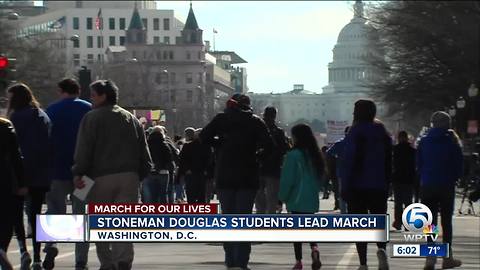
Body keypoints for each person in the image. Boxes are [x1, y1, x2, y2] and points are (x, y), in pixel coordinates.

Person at [72, 80, 153, 270]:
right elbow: (144, 152)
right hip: (129, 177)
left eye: (93, 95)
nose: (90, 99)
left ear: (103, 96)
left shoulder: (91, 118)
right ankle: (123, 260)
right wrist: (139, 174)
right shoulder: (131, 119)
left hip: (100, 178)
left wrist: (79, 173)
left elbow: (84, 149)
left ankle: (107, 263)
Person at [199, 94, 273, 270]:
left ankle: (230, 259)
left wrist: (220, 144)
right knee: (243, 218)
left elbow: (203, 137)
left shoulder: (221, 119)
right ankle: (241, 261)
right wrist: (257, 156)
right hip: (247, 174)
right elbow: (269, 145)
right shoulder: (255, 121)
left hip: (225, 174)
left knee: (228, 218)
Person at [43, 78, 92, 270]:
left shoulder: (51, 110)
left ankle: (51, 245)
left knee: (55, 210)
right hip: (84, 174)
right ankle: (81, 260)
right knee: (81, 214)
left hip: (56, 170)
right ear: (78, 91)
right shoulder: (89, 109)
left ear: (60, 90)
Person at [342, 99, 392, 270]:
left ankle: (363, 263)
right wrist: (387, 182)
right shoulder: (382, 131)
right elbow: (388, 160)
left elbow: (349, 160)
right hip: (379, 184)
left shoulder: (355, 132)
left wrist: (345, 185)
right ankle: (382, 251)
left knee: (359, 224)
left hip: (357, 184)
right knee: (379, 222)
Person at [7, 83, 52, 270]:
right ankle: (37, 258)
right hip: (40, 173)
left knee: (16, 214)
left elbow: (12, 148)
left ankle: (23, 250)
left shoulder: (16, 117)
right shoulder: (42, 116)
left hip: (19, 172)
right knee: (36, 216)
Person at [417, 112, 463, 270]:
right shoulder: (452, 141)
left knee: (430, 223)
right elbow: (459, 165)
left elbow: (418, 163)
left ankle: (430, 257)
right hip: (446, 185)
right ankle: (447, 257)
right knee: (446, 222)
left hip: (428, 184)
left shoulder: (423, 141)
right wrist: (456, 177)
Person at [279, 123, 324, 270]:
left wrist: (281, 198)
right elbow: (321, 179)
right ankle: (315, 248)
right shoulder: (315, 155)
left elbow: (287, 180)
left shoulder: (292, 156)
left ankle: (298, 261)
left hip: (296, 199)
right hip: (311, 199)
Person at [0, 117, 27, 270]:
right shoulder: (5, 126)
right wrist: (22, 183)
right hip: (4, 179)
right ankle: (2, 249)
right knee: (7, 218)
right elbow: (16, 157)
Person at [256, 106, 289, 214]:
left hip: (258, 167)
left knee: (260, 197)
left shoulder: (257, 128)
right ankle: (269, 221)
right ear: (275, 116)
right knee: (272, 198)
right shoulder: (279, 131)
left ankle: (261, 219)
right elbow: (284, 149)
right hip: (273, 169)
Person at [177, 128, 213, 203]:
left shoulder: (187, 146)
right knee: (202, 195)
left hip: (190, 174)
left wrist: (186, 170)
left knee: (191, 195)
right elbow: (210, 160)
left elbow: (182, 160)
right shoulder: (207, 147)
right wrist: (206, 170)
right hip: (202, 173)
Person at [391, 131, 416, 231]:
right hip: (409, 179)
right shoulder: (412, 151)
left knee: (398, 203)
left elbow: (392, 164)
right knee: (408, 202)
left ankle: (398, 222)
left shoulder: (395, 150)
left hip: (398, 179)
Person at [143, 126, 174, 203]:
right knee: (163, 194)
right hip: (163, 172)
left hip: (150, 172)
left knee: (151, 195)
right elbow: (169, 159)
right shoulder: (165, 145)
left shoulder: (147, 145)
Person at [326, 126, 351, 214]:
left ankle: (344, 212)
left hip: (342, 172)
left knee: (342, 194)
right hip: (356, 173)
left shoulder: (340, 143)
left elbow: (329, 153)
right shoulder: (359, 143)